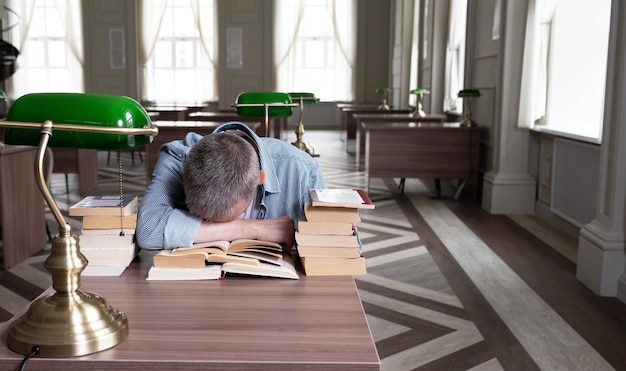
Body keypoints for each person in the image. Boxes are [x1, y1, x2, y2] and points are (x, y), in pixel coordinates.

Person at [136, 122, 326, 250]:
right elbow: (147, 229)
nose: (218, 227)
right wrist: (252, 229)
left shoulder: (303, 171)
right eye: (208, 221)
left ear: (258, 179)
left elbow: (337, 252)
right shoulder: (178, 157)